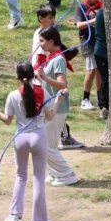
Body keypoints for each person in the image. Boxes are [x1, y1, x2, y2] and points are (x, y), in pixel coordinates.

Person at [0, 61, 64, 221]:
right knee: (38, 179)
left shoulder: (13, 95)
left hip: (20, 139)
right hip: (39, 138)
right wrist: (58, 100)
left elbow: (7, 120)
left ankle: (14, 214)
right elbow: (50, 117)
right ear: (33, 74)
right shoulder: (42, 92)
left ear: (17, 76)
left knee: (20, 176)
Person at [34, 26, 78, 186]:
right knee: (46, 143)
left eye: (42, 41)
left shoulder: (58, 59)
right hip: (51, 106)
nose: (40, 44)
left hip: (58, 107)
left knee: (47, 144)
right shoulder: (51, 57)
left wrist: (45, 78)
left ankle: (66, 174)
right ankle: (54, 172)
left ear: (51, 41)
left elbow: (62, 84)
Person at [72, 0, 104, 110]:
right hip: (88, 43)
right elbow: (79, 25)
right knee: (91, 70)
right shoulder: (81, 7)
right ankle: (85, 99)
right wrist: (94, 20)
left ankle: (101, 99)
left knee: (100, 71)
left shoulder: (100, 5)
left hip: (100, 43)